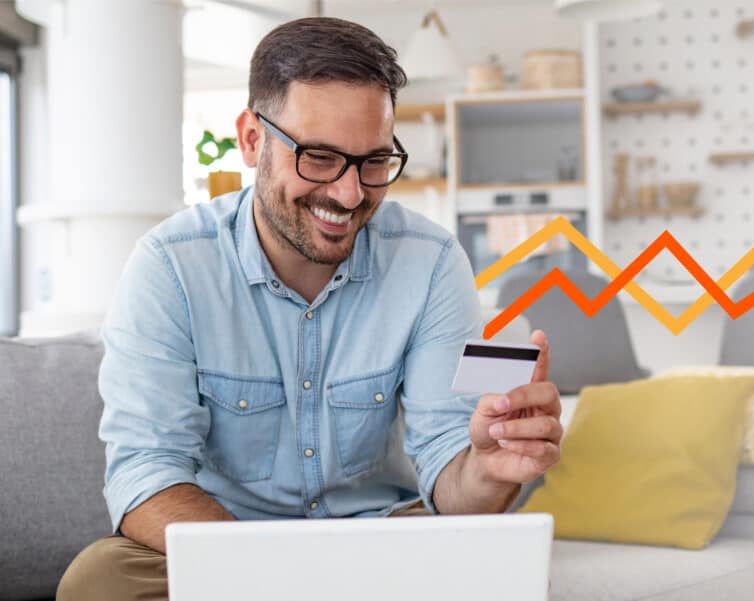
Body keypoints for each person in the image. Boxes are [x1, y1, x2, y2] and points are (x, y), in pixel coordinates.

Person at [57, 17, 562, 601]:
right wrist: (275, 575)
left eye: (374, 162)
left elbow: (451, 483)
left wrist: (486, 467)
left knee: (506, 573)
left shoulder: (431, 262)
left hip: (378, 537)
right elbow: (146, 471)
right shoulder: (169, 266)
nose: (349, 195)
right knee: (98, 581)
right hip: (224, 539)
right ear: (251, 140)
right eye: (319, 158)